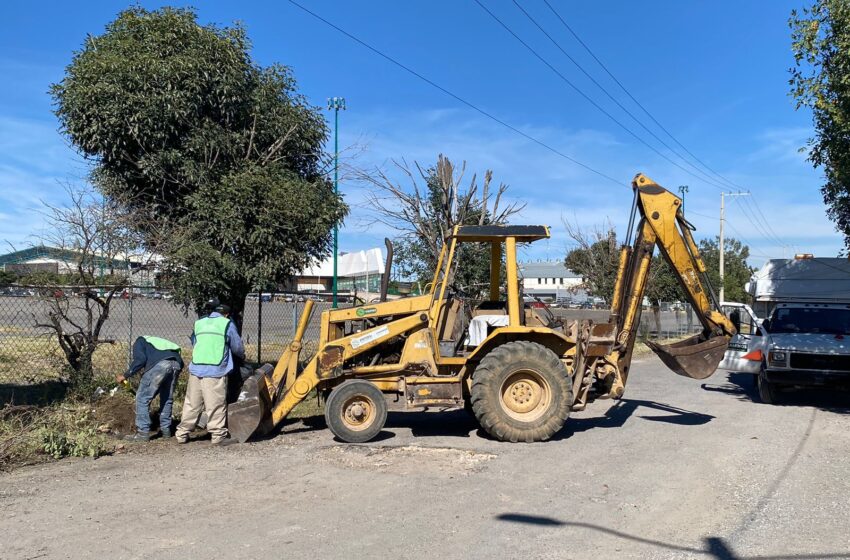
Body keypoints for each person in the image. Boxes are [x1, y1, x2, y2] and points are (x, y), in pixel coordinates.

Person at [175, 300, 245, 446]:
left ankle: (182, 434)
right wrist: (242, 357)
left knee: (192, 403)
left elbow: (195, 342)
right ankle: (218, 436)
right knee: (215, 404)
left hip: (196, 368)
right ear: (226, 314)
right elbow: (237, 347)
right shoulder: (227, 324)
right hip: (215, 370)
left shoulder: (199, 323)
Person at [117, 335, 184, 442]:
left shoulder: (139, 341)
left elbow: (140, 360)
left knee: (142, 397)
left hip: (160, 364)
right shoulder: (158, 341)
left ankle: (143, 433)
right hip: (176, 364)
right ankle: (166, 430)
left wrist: (125, 375)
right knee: (167, 398)